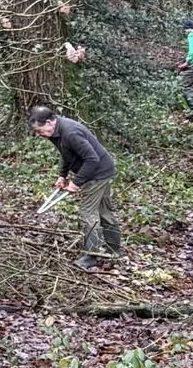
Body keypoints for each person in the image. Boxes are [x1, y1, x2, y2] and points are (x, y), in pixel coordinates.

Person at [27, 104, 122, 270]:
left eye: (39, 130)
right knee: (104, 212)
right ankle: (113, 250)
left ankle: (92, 255)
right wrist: (62, 175)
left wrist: (76, 182)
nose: (38, 134)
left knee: (87, 212)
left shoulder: (70, 132)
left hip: (98, 174)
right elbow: (66, 154)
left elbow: (92, 159)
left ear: (49, 122)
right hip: (98, 171)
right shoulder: (56, 132)